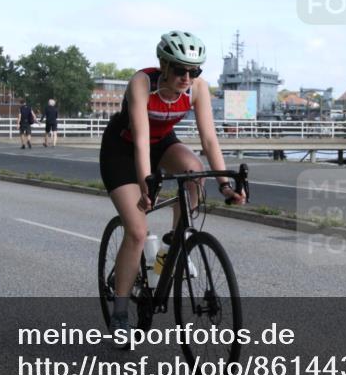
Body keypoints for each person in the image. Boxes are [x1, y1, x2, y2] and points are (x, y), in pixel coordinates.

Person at [99, 31, 245, 340]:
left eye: (194, 70)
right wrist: (146, 187)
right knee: (137, 232)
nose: (187, 77)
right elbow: (140, 139)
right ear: (163, 65)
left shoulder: (197, 89)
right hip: (123, 149)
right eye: (180, 69)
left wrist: (223, 183)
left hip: (161, 142)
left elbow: (208, 139)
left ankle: (173, 244)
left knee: (194, 170)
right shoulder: (142, 83)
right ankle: (121, 313)